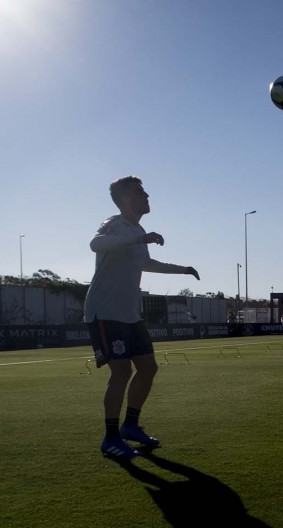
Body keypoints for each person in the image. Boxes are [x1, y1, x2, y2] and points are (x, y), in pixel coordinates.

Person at [85, 175, 200, 460]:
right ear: (126, 199)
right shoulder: (114, 224)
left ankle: (130, 426)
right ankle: (110, 438)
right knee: (121, 371)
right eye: (140, 192)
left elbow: (146, 263)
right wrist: (139, 237)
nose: (147, 195)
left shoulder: (137, 229)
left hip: (128, 314)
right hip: (105, 310)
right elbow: (95, 244)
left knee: (148, 368)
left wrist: (183, 269)